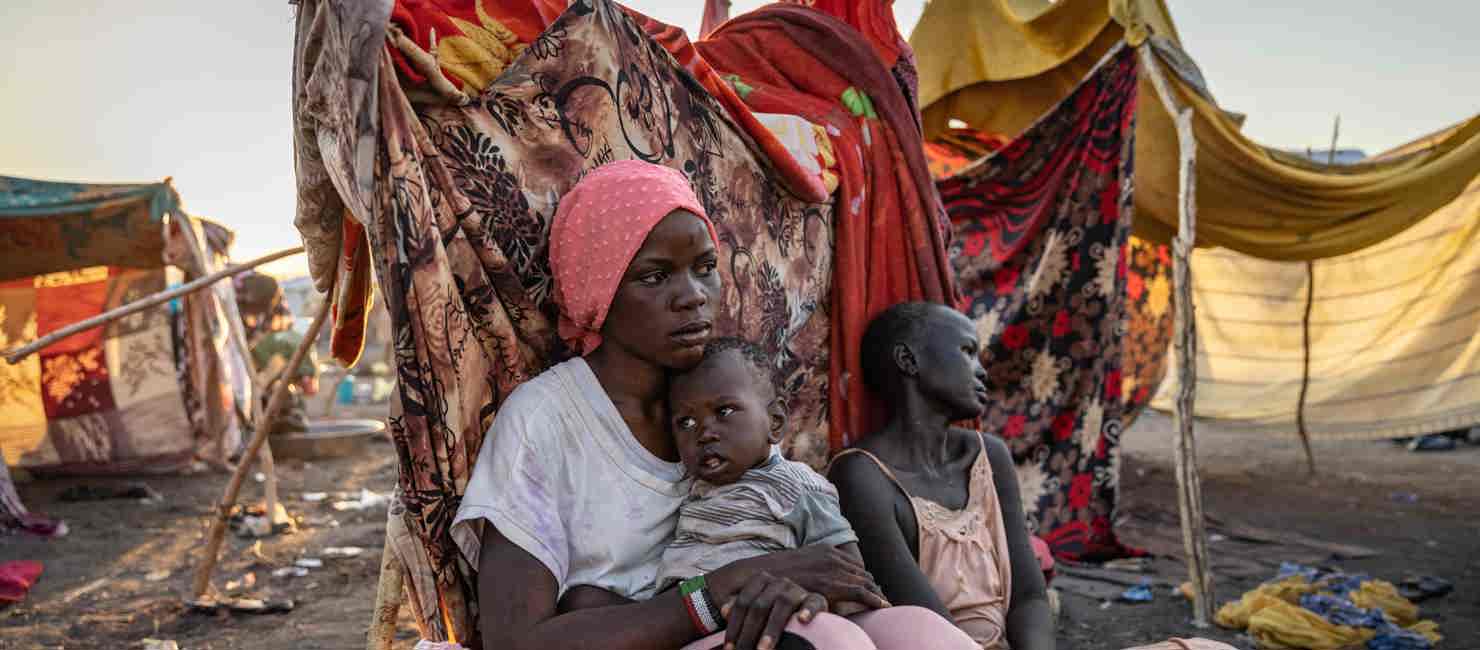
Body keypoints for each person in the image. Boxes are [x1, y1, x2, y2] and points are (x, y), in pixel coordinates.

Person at [448, 160, 978, 650]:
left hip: (735, 619)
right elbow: (515, 641)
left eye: (704, 267)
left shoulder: (728, 397)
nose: (693, 295)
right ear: (598, 288)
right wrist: (718, 591)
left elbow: (787, 539)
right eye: (655, 277)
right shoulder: (546, 422)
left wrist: (791, 583)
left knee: (922, 633)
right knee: (827, 643)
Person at [559, 337, 870, 619]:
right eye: (687, 421)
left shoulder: (794, 485)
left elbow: (841, 566)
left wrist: (843, 615)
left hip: (754, 609)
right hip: (676, 609)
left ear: (775, 422)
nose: (704, 433)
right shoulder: (686, 484)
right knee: (581, 600)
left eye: (724, 411)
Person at [829, 302, 1055, 650]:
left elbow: (1029, 594)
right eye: (967, 352)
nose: (981, 372)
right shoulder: (861, 475)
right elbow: (924, 619)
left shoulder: (988, 455)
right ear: (908, 360)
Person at [236, 272, 319, 434]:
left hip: (273, 371)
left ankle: (277, 421)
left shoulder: (285, 336)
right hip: (255, 366)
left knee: (278, 396)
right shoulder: (238, 301)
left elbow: (308, 385)